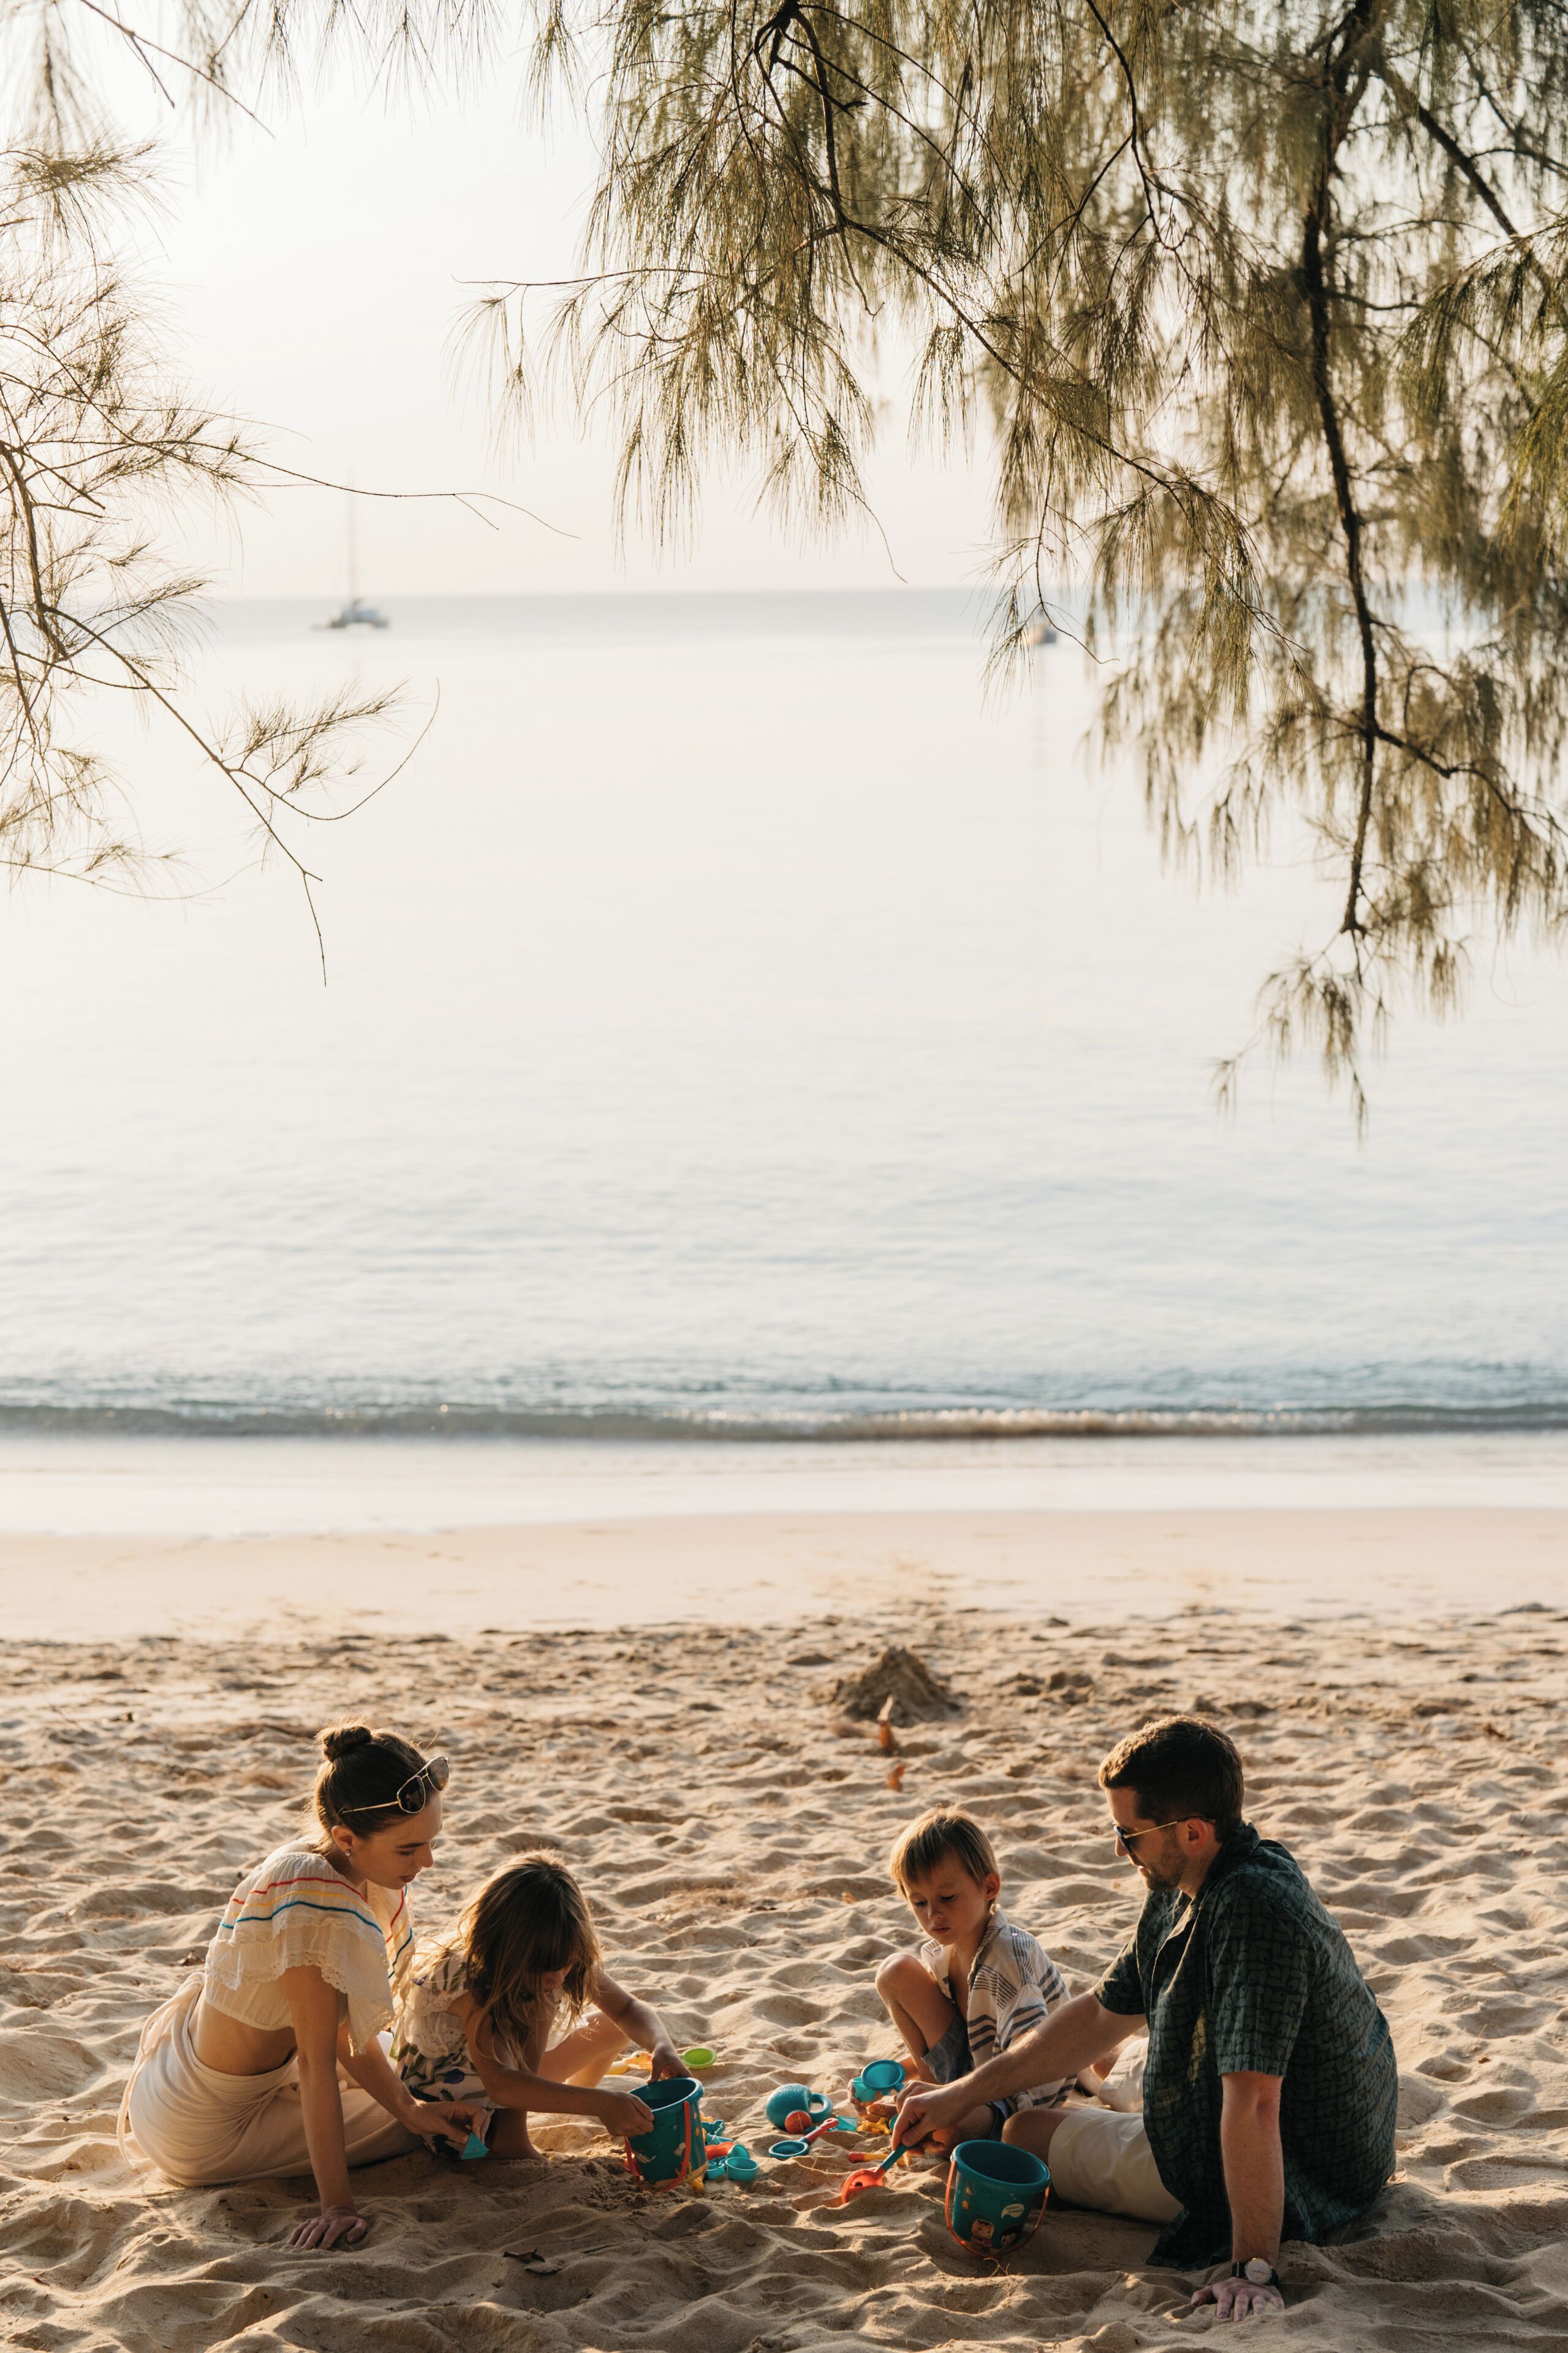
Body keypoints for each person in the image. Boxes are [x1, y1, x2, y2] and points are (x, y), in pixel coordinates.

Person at [894, 1717, 1397, 2325]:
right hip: (1332, 2137)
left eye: (1129, 1834)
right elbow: (1098, 2015)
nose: (1118, 1849)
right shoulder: (1198, 1874)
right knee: (1083, 2082)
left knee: (1022, 2134)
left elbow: (1255, 2103)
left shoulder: (1252, 1916)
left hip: (1308, 2169)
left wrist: (1253, 2270)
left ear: (1191, 1831)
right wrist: (959, 2094)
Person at [120, 1722, 481, 2249]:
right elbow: (317, 2061)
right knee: (442, 2101)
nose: (426, 1862)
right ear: (346, 1837)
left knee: (416, 2088)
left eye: (430, 1842)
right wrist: (338, 2206)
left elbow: (339, 2035)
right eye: (409, 1849)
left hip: (181, 2074)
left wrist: (407, 2106)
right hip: (207, 2127)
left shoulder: (334, 1863)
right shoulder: (314, 1896)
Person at [392, 1851, 679, 2156]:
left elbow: (627, 2009)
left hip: (510, 2078)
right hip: (456, 2114)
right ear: (502, 1947)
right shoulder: (474, 1982)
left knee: (614, 2028)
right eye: (543, 1967)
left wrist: (662, 2046)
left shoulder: (556, 1954)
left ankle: (571, 2105)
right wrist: (602, 2104)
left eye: (565, 1964)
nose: (557, 1977)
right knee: (536, 2003)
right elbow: (501, 2083)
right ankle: (512, 2139)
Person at [873, 1805, 1072, 2143]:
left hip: (1012, 2092)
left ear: (989, 1887)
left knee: (951, 2131)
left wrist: (960, 2101)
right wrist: (899, 2073)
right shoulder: (949, 1949)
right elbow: (960, 2040)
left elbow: (1032, 2063)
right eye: (919, 1903)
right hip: (973, 2071)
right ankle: (927, 2099)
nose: (933, 1914)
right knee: (895, 1971)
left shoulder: (1009, 1959)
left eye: (947, 1897)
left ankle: (932, 2109)